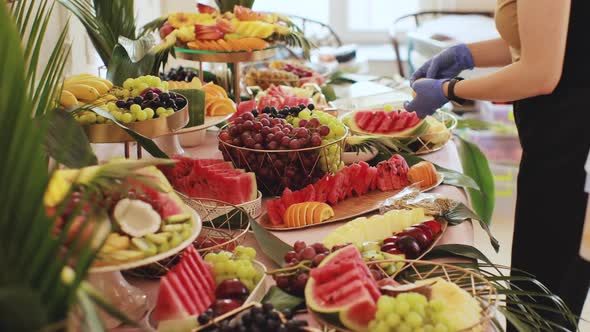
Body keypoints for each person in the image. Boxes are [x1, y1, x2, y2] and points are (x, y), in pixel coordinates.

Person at [406, 0, 590, 329]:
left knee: (541, 306)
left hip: (572, 152)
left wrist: (450, 89)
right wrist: (466, 54)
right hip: (556, 145)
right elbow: (543, 42)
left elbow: (540, 74)